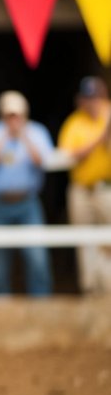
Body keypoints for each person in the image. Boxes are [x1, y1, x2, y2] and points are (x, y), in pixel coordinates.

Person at [0, 90, 54, 296]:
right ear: (2, 114)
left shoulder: (37, 132)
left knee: (36, 257)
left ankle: (41, 303)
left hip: (28, 203)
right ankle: (0, 306)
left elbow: (41, 162)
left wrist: (23, 136)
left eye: (17, 115)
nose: (14, 119)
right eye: (10, 115)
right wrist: (5, 137)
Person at [59, 76, 111, 295]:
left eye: (96, 97)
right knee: (84, 240)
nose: (92, 102)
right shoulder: (74, 122)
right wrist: (101, 137)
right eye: (88, 98)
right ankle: (91, 290)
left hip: (106, 187)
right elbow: (71, 154)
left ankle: (108, 289)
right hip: (81, 189)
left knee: (108, 240)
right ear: (81, 100)